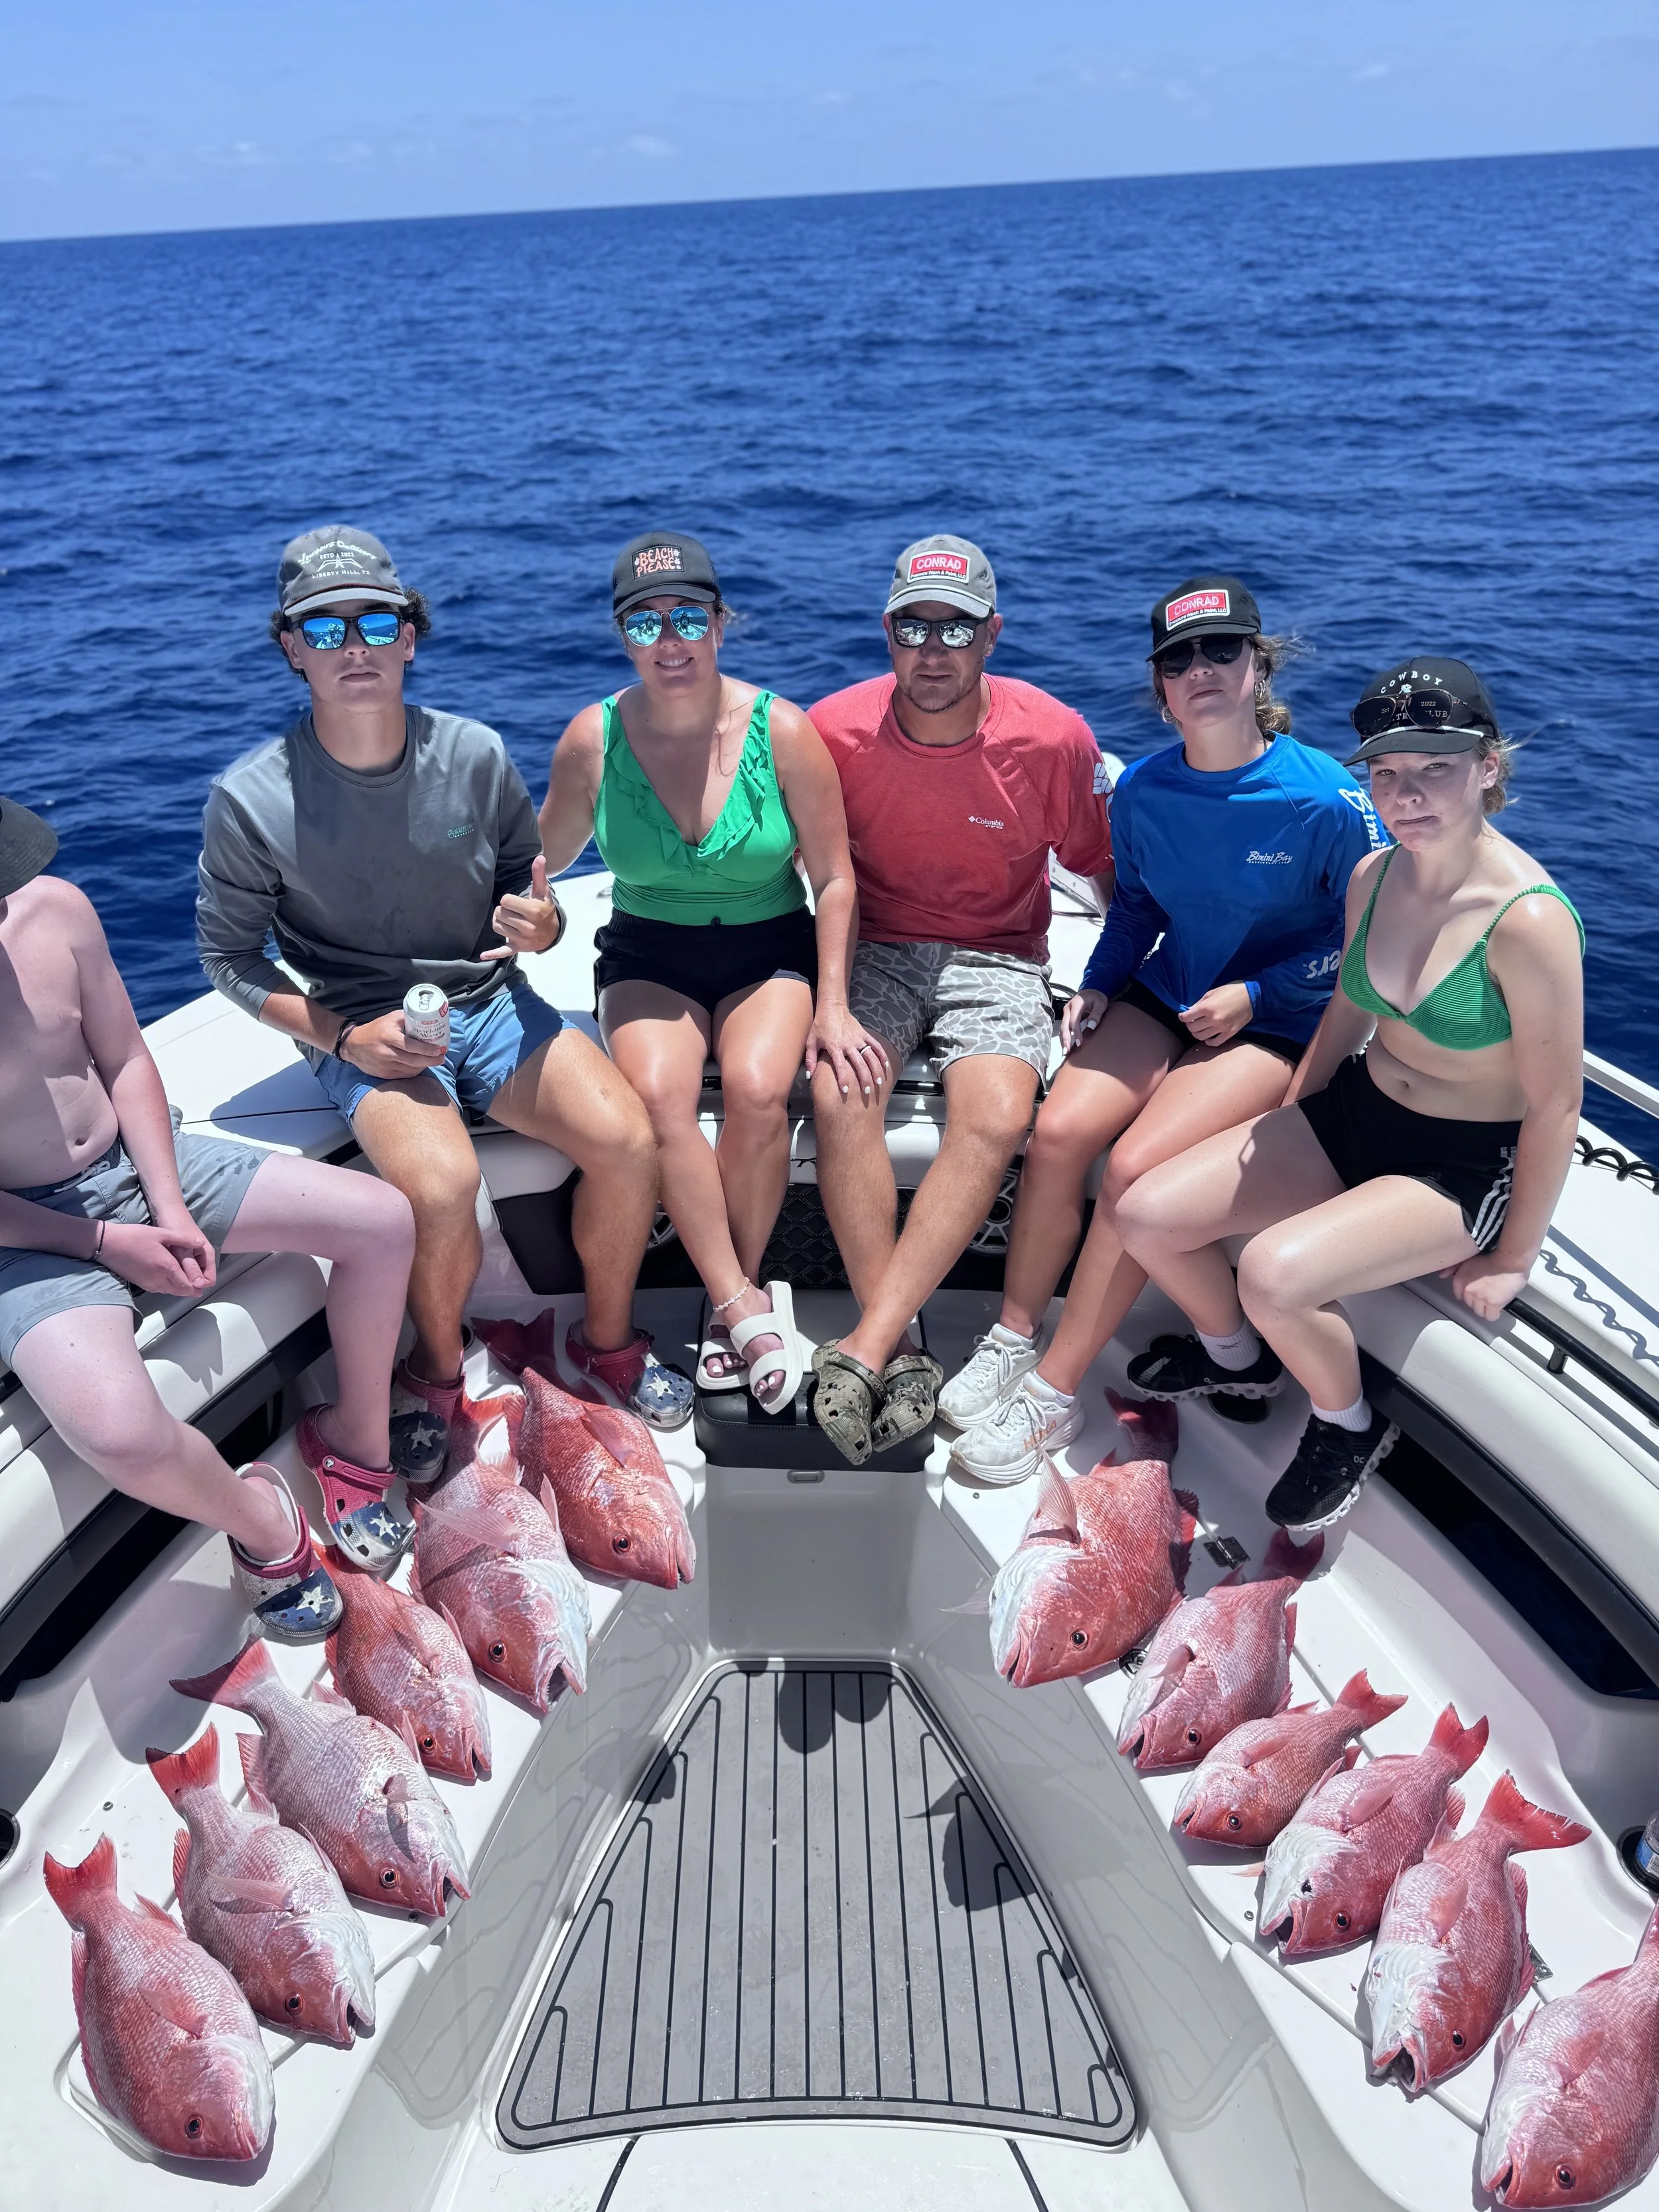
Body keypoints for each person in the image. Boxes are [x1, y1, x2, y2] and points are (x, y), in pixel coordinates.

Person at [196, 525, 682, 1455]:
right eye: (325, 630)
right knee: (444, 1183)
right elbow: (230, 960)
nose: (354, 648)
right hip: (362, 1023)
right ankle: (439, 1377)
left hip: (493, 1005)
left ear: (409, 637)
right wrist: (342, 1038)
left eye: (375, 623)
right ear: (291, 649)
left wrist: (545, 925)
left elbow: (528, 897)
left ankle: (609, 1345)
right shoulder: (249, 798)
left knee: (627, 1137)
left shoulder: (476, 753)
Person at [1115, 657, 1584, 1531]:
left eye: (1436, 768)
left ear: (1488, 767)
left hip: (1456, 1164)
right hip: (1358, 1110)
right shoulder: (1374, 876)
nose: (1408, 793)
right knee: (1145, 1213)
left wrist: (1513, 1257)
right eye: (1388, 772)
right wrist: (1298, 1106)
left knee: (1272, 1271)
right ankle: (1239, 1359)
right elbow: (1347, 1007)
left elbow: (1557, 1105)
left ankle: (1345, 1425)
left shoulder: (1529, 920)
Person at [940, 575, 1386, 1484]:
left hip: (1283, 1019)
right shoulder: (1141, 789)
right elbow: (1136, 904)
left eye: (1220, 650)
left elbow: (1368, 949)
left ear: (1257, 666)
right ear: (1160, 688)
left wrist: (1257, 998)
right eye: (1178, 659)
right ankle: (1014, 1334)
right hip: (1168, 989)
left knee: (1136, 1167)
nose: (1200, 670)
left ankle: (1055, 1393)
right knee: (1059, 1129)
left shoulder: (1327, 802)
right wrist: (1101, 985)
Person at [0, 796, 420, 1641]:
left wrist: (166, 1207)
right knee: (117, 1434)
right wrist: (106, 1242)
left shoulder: (57, 911)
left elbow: (123, 1060)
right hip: (24, 1240)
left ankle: (354, 1443)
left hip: (139, 1163)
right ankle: (265, 1524)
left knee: (382, 1221)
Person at [538, 531, 872, 1411]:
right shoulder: (591, 739)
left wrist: (833, 1005)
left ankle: (738, 1297)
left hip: (769, 947)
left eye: (689, 616)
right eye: (645, 622)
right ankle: (741, 1307)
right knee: (657, 1100)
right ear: (622, 637)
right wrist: (524, 914)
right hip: (651, 950)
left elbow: (835, 878)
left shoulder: (784, 730)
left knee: (763, 1091)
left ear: (722, 625)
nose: (670, 640)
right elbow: (539, 866)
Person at [806, 534, 1116, 1464]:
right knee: (837, 1091)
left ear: (993, 635)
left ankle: (865, 1346)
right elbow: (807, 868)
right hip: (878, 949)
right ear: (886, 632)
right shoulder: (831, 730)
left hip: (1000, 956)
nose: (932, 649)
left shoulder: (1054, 738)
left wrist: (1112, 983)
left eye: (956, 629)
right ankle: (894, 1342)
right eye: (913, 626)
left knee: (995, 1115)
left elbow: (1103, 873)